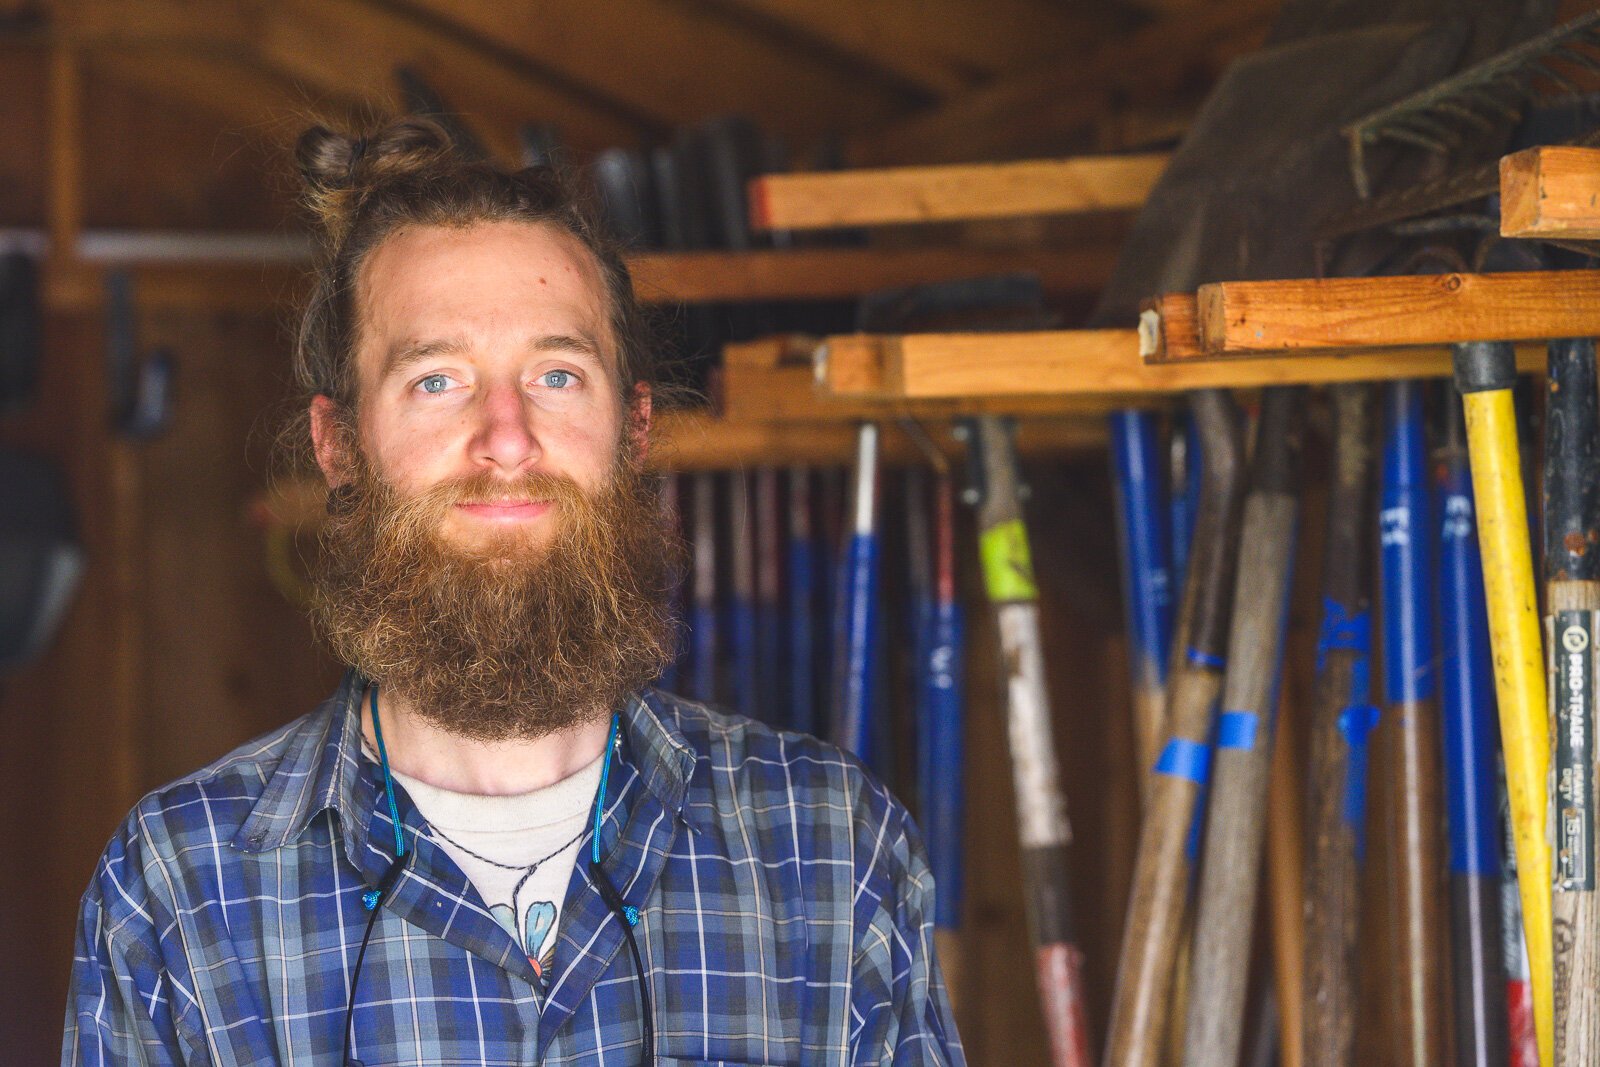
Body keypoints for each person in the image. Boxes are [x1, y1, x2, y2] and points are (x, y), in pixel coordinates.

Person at [62, 118, 963, 1066]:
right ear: (338, 447)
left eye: (557, 375)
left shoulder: (829, 849)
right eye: (438, 380)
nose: (506, 437)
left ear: (636, 429)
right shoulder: (179, 890)